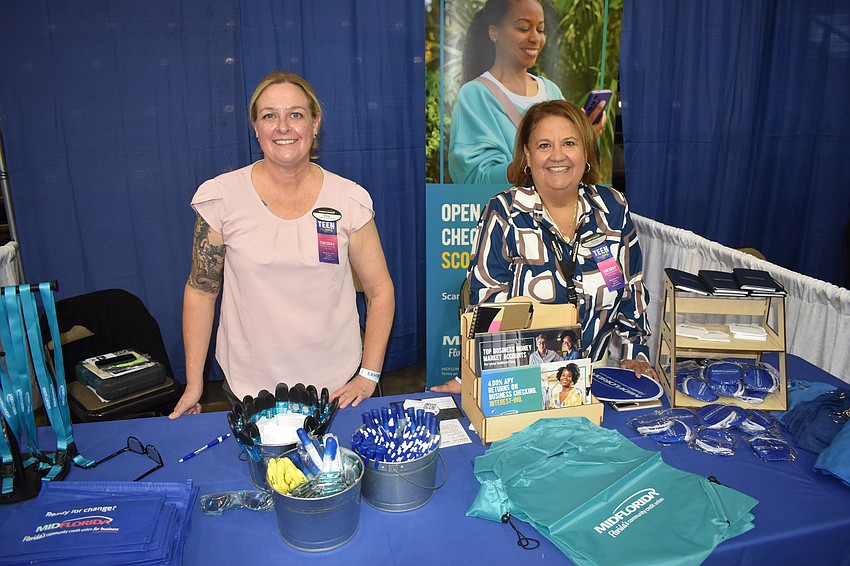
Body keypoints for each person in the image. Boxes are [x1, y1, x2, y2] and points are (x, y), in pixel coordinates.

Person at [170, 71, 395, 418]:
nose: (283, 127)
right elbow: (201, 291)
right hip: (249, 389)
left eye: (296, 114)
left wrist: (368, 375)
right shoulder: (221, 197)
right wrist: (194, 383)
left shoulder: (349, 199)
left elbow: (380, 291)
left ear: (315, 123)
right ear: (256, 127)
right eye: (269, 116)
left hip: (336, 388)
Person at [432, 99, 652, 394]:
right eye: (544, 145)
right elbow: (486, 312)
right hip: (522, 384)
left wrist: (633, 356)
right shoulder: (504, 214)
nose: (557, 155)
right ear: (527, 154)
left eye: (569, 143)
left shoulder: (612, 208)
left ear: (586, 150)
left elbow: (630, 291)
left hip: (599, 382)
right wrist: (475, 381)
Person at [448, 0, 606, 185]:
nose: (535, 38)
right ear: (494, 32)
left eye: (540, 30)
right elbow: (474, 178)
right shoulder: (475, 94)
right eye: (523, 28)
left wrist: (583, 139)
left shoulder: (551, 90)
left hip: (552, 212)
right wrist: (536, 159)